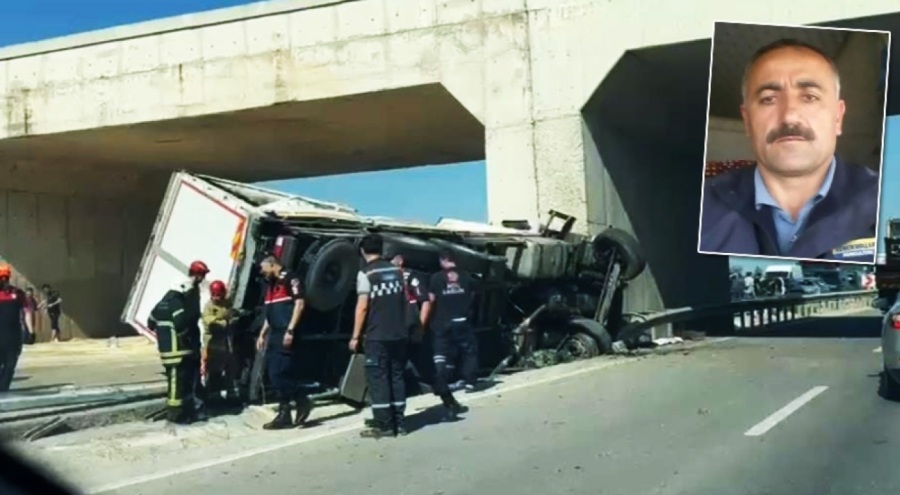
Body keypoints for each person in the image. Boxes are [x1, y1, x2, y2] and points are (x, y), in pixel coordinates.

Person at [699, 38, 879, 261]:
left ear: (838, 117)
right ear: (747, 121)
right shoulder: (698, 208)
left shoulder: (888, 203)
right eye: (768, 99)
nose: (789, 115)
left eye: (809, 97)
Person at [350, 234, 410, 438]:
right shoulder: (397, 271)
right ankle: (399, 422)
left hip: (377, 335)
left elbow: (362, 307)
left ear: (362, 251)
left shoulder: (365, 274)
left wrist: (355, 336)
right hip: (399, 333)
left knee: (378, 378)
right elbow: (404, 301)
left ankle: (384, 425)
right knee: (397, 376)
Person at [257, 255, 313, 430]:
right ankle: (284, 413)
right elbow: (270, 312)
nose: (262, 272)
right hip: (274, 333)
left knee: (279, 372)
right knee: (272, 373)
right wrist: (262, 333)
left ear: (272, 264)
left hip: (286, 332)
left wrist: (290, 329)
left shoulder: (291, 278)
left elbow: (300, 304)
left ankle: (301, 398)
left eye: (263, 268)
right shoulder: (270, 285)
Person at [419, 250, 473, 421]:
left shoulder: (435, 278)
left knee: (440, 354)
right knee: (468, 351)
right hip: (462, 320)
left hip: (441, 322)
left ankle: (441, 380)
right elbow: (474, 295)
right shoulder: (466, 277)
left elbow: (431, 300)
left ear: (443, 261)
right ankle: (469, 380)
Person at [148, 280, 202, 424]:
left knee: (172, 381)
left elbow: (150, 322)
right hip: (177, 351)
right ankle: (175, 414)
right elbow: (180, 323)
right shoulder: (177, 302)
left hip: (165, 350)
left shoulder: (160, 304)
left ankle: (177, 410)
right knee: (176, 383)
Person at [200, 280, 241, 405]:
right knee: (213, 369)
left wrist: (234, 319)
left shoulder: (226, 303)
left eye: (219, 295)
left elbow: (233, 314)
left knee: (230, 367)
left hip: (226, 340)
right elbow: (207, 320)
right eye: (215, 295)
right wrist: (222, 322)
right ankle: (213, 396)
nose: (217, 298)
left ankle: (231, 394)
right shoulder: (209, 306)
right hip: (212, 341)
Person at [0, 264, 34, 391]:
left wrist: (31, 331)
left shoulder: (18, 293)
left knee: (10, 365)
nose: (3, 280)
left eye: (5, 277)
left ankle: (3, 389)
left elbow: (27, 312)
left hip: (13, 336)